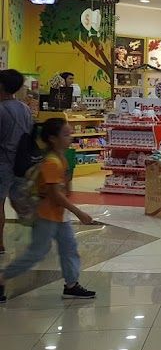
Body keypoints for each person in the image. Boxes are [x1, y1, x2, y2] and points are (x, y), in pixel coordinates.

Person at [0, 118, 97, 303]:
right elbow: (55, 195)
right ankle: (2, 278)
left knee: (69, 248)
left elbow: (63, 188)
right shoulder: (51, 162)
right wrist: (78, 212)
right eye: (66, 134)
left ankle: (71, 285)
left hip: (59, 215)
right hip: (46, 215)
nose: (71, 137)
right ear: (53, 138)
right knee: (36, 253)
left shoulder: (61, 157)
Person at [0, 69, 33, 256]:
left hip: (2, 163)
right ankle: (39, 235)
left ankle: (0, 244)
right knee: (19, 202)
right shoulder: (24, 108)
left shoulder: (1, 109)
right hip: (21, 163)